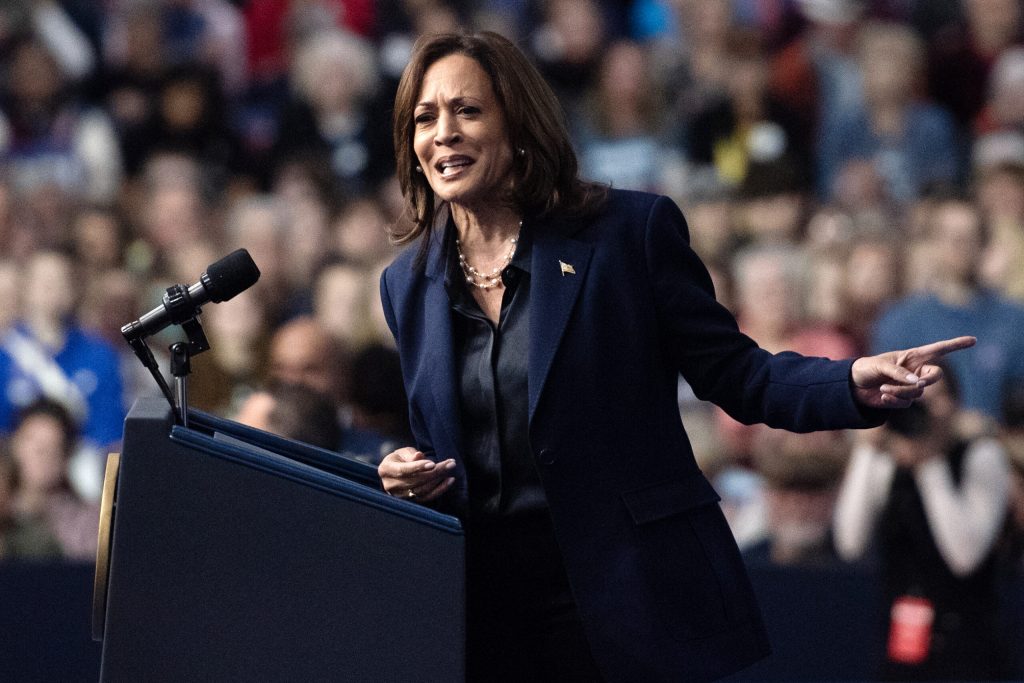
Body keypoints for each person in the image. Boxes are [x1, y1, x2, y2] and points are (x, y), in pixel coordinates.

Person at [376, 31, 974, 683]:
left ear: (519, 123)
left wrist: (848, 380)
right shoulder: (407, 284)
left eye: (468, 110)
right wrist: (402, 468)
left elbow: (739, 374)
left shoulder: (628, 234)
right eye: (425, 118)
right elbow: (440, 438)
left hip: (630, 601)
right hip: (489, 618)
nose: (444, 133)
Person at [833, 368, 1011, 680]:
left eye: (934, 397)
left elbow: (964, 557)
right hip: (900, 643)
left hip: (968, 647)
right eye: (911, 398)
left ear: (956, 405)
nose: (922, 406)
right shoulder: (889, 460)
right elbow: (850, 544)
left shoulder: (981, 456)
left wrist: (929, 464)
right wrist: (867, 449)